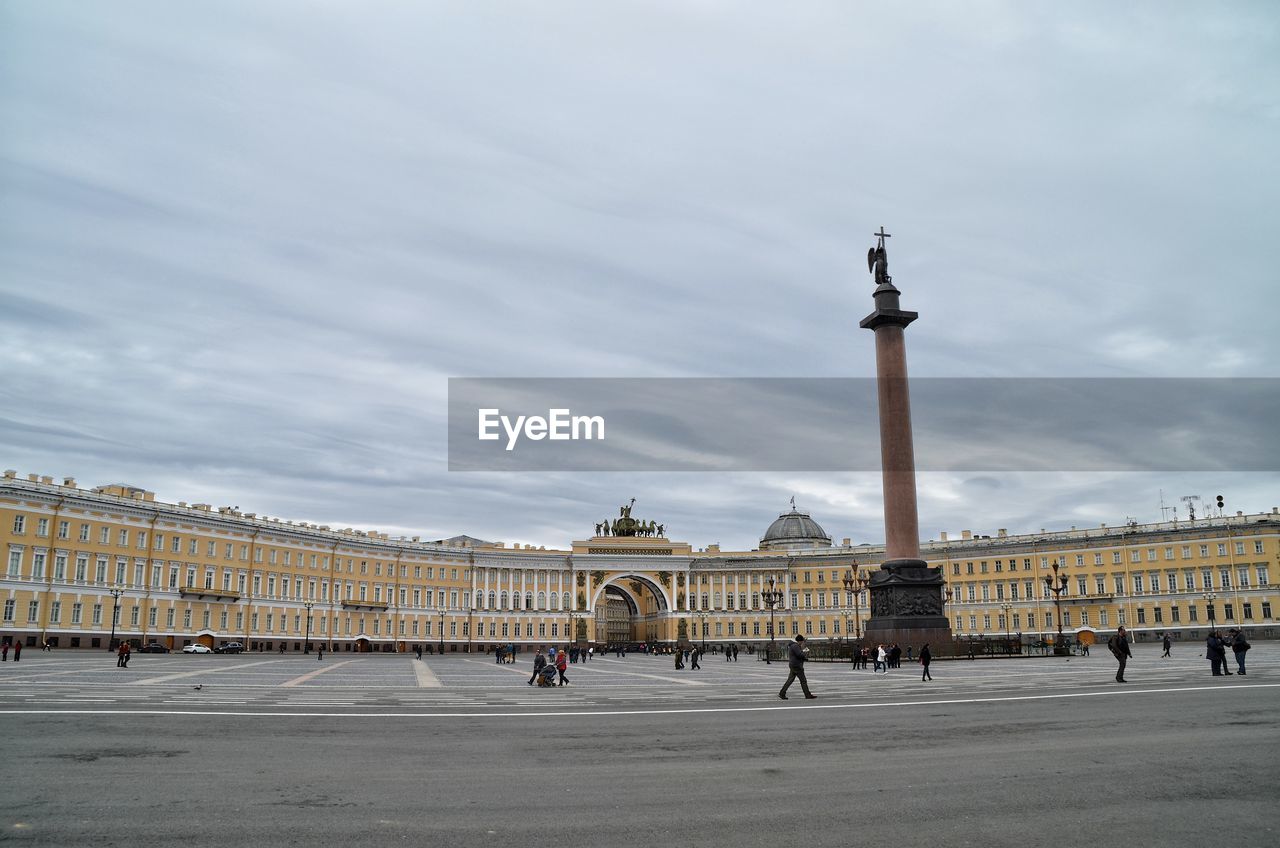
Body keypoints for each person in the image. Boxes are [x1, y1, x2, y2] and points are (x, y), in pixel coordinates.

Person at [778, 634, 816, 700]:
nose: (802, 642)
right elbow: (799, 654)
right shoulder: (795, 646)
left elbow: (797, 655)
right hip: (797, 665)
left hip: (793, 665)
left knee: (790, 680)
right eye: (802, 641)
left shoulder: (793, 646)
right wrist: (805, 652)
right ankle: (807, 695)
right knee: (803, 681)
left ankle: (782, 693)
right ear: (800, 641)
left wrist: (803, 657)